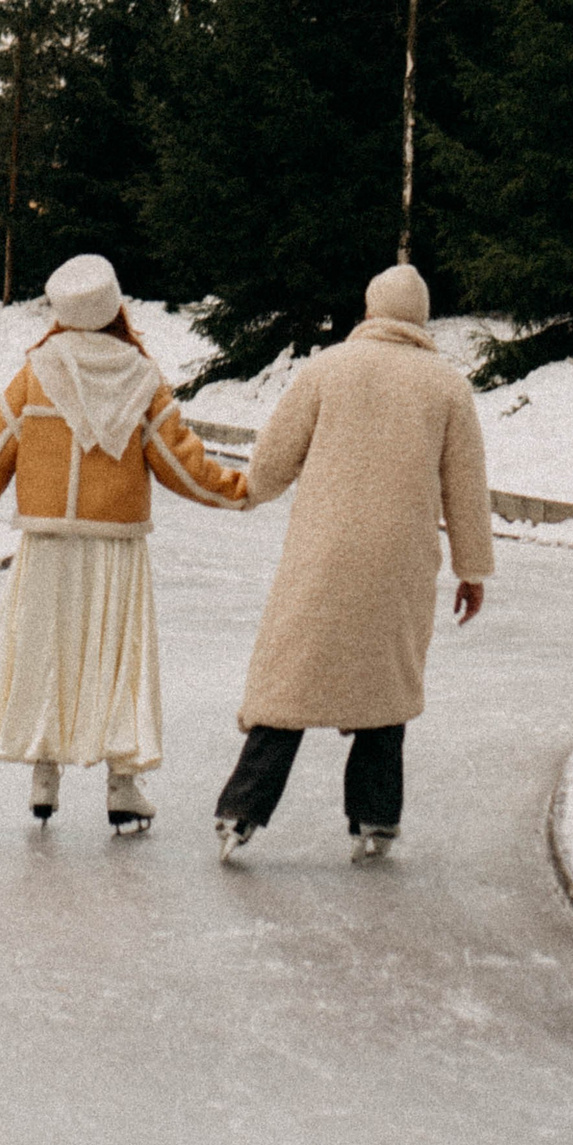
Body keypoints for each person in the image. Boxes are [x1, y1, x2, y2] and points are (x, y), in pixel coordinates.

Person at [0, 254, 251, 832]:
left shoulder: (35, 374)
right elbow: (181, 465)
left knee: (45, 654)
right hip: (116, 549)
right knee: (117, 661)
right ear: (114, 307)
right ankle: (123, 787)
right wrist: (240, 490)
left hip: (47, 545)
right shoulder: (141, 378)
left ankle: (44, 777)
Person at [215, 262, 495, 863]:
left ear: (370, 309)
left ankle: (241, 810)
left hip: (321, 553)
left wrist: (246, 492)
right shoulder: (447, 386)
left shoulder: (328, 368)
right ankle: (376, 817)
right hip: (400, 561)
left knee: (290, 679)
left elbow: (274, 458)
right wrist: (472, 569)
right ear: (421, 318)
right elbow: (466, 488)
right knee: (384, 685)